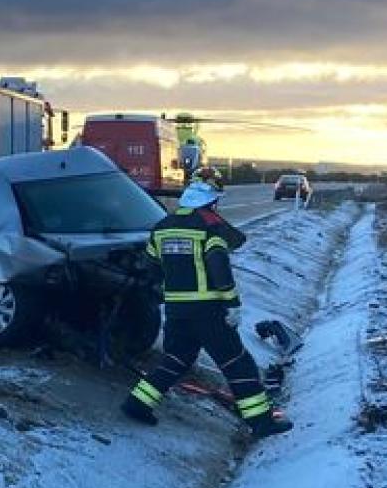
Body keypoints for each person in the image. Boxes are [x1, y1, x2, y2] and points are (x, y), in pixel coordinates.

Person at [121, 169, 293, 439]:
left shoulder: (162, 228)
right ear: (210, 201)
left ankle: (137, 403)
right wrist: (232, 303)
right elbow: (219, 270)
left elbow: (151, 269)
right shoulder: (209, 230)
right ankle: (261, 422)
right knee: (238, 364)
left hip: (176, 312)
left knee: (176, 360)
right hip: (208, 312)